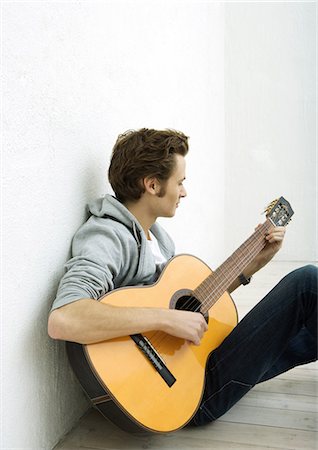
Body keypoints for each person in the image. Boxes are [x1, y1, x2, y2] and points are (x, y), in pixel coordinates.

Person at [48, 128, 317, 426]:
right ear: (152, 185)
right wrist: (164, 319)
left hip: (193, 370)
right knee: (307, 283)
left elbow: (191, 306)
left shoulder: (159, 240)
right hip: (175, 395)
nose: (184, 192)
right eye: (180, 182)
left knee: (309, 331)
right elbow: (65, 318)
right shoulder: (108, 236)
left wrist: (252, 265)